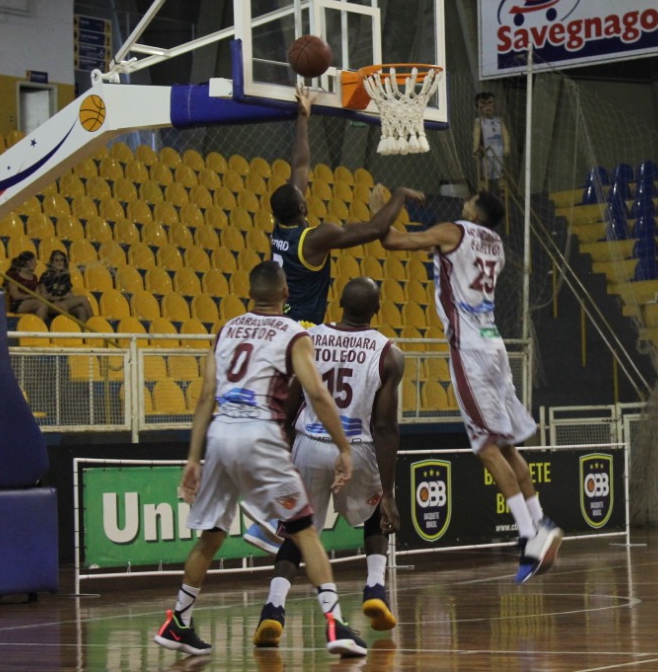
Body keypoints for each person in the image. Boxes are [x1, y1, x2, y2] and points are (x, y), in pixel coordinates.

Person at [152, 261, 366, 658]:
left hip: (220, 434)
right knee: (303, 529)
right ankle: (336, 623)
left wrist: (193, 458)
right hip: (259, 435)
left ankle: (178, 621)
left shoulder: (226, 329)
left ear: (251, 294)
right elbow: (317, 394)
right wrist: (344, 447)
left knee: (211, 535)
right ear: (286, 294)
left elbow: (204, 396)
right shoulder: (292, 332)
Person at [380, 190, 562, 583]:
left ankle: (530, 535)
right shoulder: (496, 243)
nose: (464, 202)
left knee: (485, 447)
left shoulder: (453, 231)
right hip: (495, 345)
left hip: (470, 349)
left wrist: (386, 205)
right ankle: (539, 521)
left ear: (476, 210)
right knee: (508, 444)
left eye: (470, 200)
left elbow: (393, 240)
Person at [253, 277, 405, 646]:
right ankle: (374, 590)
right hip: (357, 447)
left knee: (298, 528)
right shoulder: (388, 353)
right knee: (373, 516)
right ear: (377, 309)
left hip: (309, 442)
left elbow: (288, 404)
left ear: (338, 302)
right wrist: (388, 492)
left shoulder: (309, 337)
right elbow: (384, 426)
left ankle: (273, 609)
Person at [269, 86, 424, 325]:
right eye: (303, 198)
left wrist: (303, 116)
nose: (304, 194)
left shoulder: (280, 228)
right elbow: (374, 229)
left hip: (279, 321)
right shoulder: (314, 238)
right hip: (301, 327)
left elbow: (300, 166)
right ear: (302, 208)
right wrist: (400, 195)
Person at [472, 92, 512, 197]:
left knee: (500, 171)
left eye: (490, 103)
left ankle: (502, 189)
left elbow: (505, 134)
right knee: (485, 173)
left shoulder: (499, 120)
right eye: (483, 104)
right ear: (478, 106)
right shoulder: (479, 121)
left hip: (499, 150)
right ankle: (483, 190)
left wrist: (507, 146)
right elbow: (476, 135)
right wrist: (475, 149)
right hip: (486, 152)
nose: (487, 107)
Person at [37, 249, 93, 322]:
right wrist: (60, 297)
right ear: (52, 262)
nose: (59, 263)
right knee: (82, 299)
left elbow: (69, 294)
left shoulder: (65, 276)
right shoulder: (46, 276)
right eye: (56, 260)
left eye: (61, 260)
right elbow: (44, 297)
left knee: (81, 310)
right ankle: (94, 324)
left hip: (64, 303)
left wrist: (67, 296)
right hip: (51, 306)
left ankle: (84, 331)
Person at [5, 251, 46, 320]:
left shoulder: (34, 277)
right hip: (17, 304)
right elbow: (16, 295)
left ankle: (37, 326)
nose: (36, 264)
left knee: (44, 303)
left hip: (32, 301)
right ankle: (38, 328)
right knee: (41, 304)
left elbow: (37, 294)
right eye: (34, 261)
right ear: (28, 262)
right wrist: (32, 296)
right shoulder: (14, 275)